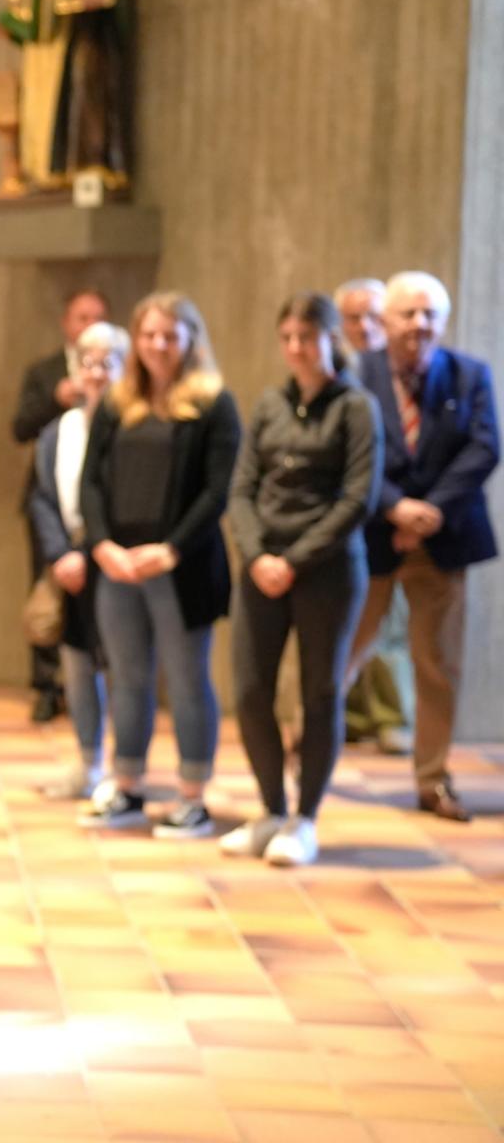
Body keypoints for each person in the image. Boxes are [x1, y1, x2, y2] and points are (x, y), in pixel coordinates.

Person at [223, 293, 382, 866]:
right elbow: (242, 490)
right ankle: (270, 810)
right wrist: (257, 555)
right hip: (261, 568)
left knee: (319, 694)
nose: (296, 348)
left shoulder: (356, 407)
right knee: (249, 691)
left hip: (327, 572)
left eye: (307, 337)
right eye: (287, 337)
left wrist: (294, 561)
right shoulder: (270, 403)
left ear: (330, 339)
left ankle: (305, 819)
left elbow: (358, 499)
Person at [78, 292, 239, 839]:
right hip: (118, 564)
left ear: (191, 339)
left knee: (188, 680)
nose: (158, 345)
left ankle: (193, 796)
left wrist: (170, 549)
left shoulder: (214, 403)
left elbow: (217, 491)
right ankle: (127, 785)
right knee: (127, 678)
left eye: (170, 335)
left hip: (180, 565)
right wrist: (103, 545)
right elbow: (91, 482)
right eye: (148, 334)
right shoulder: (117, 402)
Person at [343, 271, 498, 823]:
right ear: (384, 321)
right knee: (340, 653)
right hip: (372, 537)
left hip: (443, 538)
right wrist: (394, 508)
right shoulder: (356, 374)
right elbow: (349, 452)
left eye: (430, 314)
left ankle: (433, 779)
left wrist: (429, 513)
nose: (419, 324)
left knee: (438, 665)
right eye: (407, 313)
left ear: (443, 321)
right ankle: (306, 759)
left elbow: (484, 448)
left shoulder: (469, 374)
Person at [26, 320, 126, 800]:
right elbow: (42, 497)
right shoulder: (57, 431)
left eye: (109, 362)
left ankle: (124, 770)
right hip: (69, 566)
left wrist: (90, 553)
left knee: (123, 670)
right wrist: (61, 554)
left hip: (115, 564)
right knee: (78, 667)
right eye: (88, 362)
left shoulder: (133, 428)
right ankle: (88, 763)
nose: (97, 372)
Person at [12, 289, 111, 722]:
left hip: (100, 519)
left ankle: (94, 691)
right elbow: (20, 428)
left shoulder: (121, 383)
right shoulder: (45, 371)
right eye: (81, 316)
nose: (89, 324)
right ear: (66, 323)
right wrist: (56, 398)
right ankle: (46, 687)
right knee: (47, 594)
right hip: (50, 500)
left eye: (98, 316)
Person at [333, 276, 414, 755]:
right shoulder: (337, 372)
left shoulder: (406, 373)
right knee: (344, 622)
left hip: (396, 521)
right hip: (347, 520)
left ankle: (391, 715)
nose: (364, 326)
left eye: (372, 316)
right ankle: (345, 715)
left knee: (392, 626)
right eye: (353, 317)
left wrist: (399, 509)